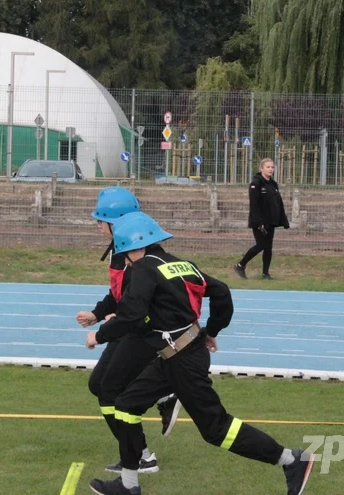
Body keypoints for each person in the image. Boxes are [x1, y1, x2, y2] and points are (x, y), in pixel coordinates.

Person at [86, 212, 314, 495]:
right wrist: (211, 331)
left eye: (126, 254)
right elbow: (222, 292)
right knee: (127, 404)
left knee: (216, 429)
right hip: (176, 354)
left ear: (135, 246)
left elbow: (132, 315)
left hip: (183, 361)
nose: (127, 262)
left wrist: (99, 335)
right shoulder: (182, 265)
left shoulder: (144, 268)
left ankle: (291, 460)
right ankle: (128, 486)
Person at [75, 187, 180, 475]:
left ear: (119, 220)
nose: (97, 224)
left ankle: (165, 394)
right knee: (99, 386)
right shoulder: (119, 251)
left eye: (101, 219)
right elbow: (118, 295)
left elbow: (137, 306)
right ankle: (141, 453)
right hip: (127, 327)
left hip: (141, 331)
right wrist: (98, 314)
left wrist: (105, 327)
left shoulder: (139, 257)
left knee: (110, 389)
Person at [234, 158, 289, 280]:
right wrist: (259, 222)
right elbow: (254, 205)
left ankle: (265, 274)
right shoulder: (256, 183)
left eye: (272, 167)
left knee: (268, 247)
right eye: (268, 167)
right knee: (261, 245)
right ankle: (240, 265)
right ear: (261, 169)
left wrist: (282, 220)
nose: (270, 169)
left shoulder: (273, 185)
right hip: (259, 222)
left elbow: (278, 203)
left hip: (271, 222)